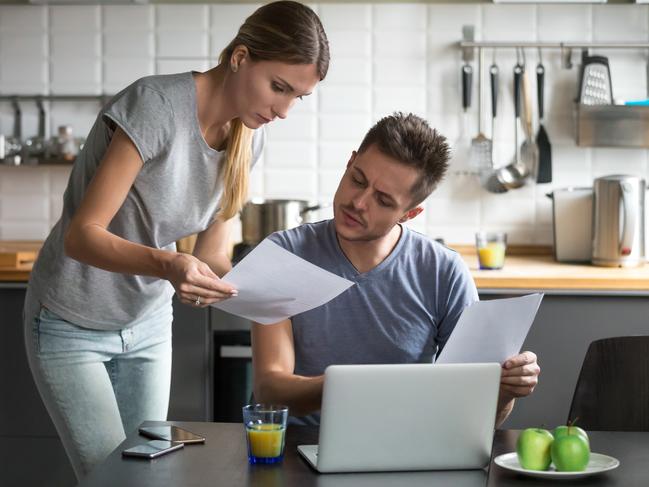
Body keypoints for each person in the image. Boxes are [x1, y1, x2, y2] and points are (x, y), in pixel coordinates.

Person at [23, 1, 329, 479]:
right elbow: (82, 237)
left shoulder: (251, 136)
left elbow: (210, 255)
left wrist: (272, 292)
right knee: (110, 476)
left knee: (149, 475)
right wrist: (170, 266)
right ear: (241, 57)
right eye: (279, 87)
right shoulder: (155, 106)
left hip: (146, 323)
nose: (284, 110)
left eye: (298, 98)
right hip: (71, 321)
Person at [252, 112, 540, 426]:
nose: (359, 203)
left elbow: (475, 415)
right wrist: (359, 386)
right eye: (357, 180)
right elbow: (271, 390)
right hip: (294, 450)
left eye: (384, 201)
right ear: (350, 163)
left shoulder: (444, 272)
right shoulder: (285, 254)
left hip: (404, 448)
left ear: (410, 213)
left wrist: (505, 390)